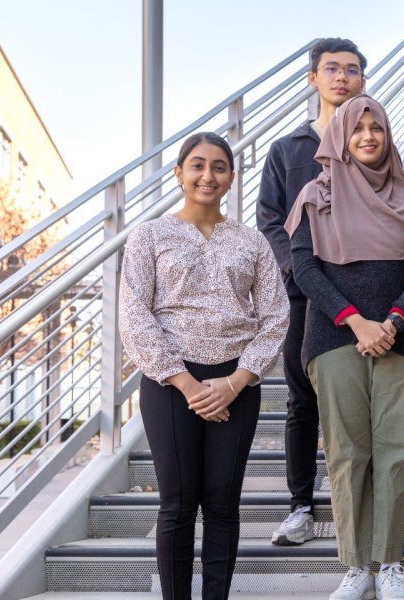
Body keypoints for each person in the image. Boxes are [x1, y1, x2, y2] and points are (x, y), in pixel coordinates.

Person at [120, 132, 289, 600]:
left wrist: (237, 381)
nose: (207, 175)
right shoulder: (149, 236)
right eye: (196, 165)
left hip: (237, 380)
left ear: (232, 177)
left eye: (218, 167)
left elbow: (276, 315)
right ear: (178, 173)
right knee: (177, 503)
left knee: (221, 502)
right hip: (170, 381)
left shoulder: (251, 242)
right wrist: (188, 385)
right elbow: (134, 315)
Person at [286, 95, 404, 600]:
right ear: (341, 138)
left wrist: (392, 320)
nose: (369, 136)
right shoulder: (316, 195)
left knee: (396, 452)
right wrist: (356, 322)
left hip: (402, 335)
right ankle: (355, 566)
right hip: (333, 336)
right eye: (358, 129)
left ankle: (389, 561)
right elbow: (305, 268)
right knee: (348, 453)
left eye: (377, 128)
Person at [256, 37, 368, 547]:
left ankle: (363, 506)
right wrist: (302, 273)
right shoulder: (287, 150)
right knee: (302, 402)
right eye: (331, 69)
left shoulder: (371, 143)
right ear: (313, 78)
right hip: (303, 294)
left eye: (350, 69)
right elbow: (270, 222)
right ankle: (302, 505)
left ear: (362, 80)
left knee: (357, 403)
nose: (341, 77)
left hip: (363, 296)